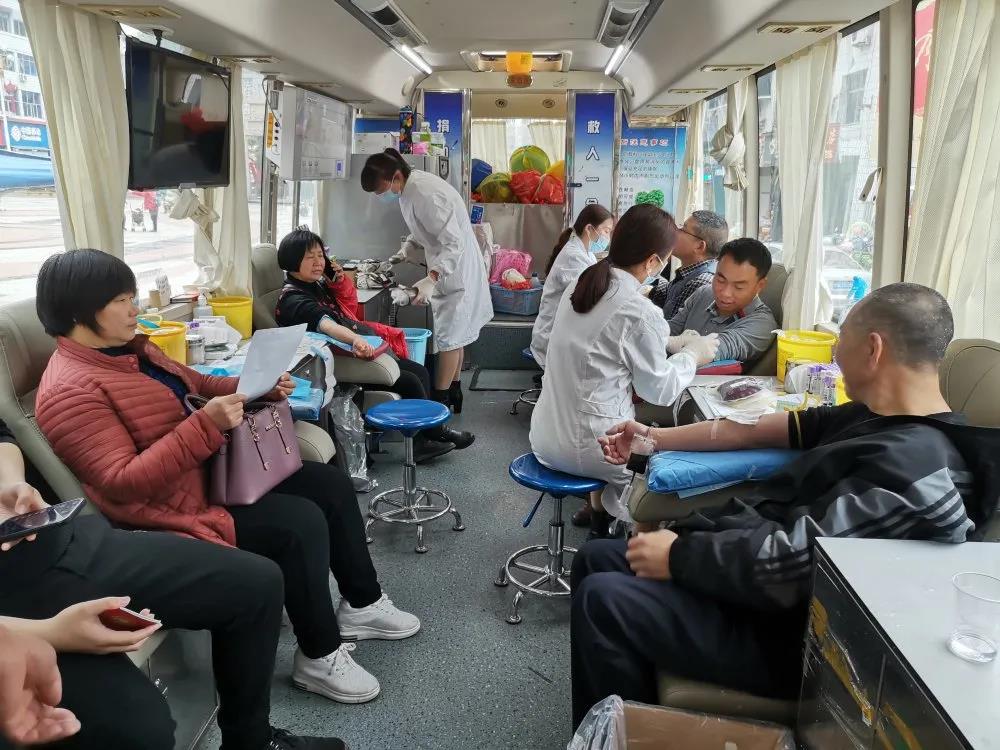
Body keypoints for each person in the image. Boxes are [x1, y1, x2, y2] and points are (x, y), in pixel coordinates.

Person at [569, 283, 1000, 728]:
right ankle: (622, 726)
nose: (834, 353)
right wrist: (652, 438)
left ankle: (626, 734)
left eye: (841, 340)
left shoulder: (922, 476)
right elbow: (754, 429)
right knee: (596, 558)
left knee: (605, 601)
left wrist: (681, 556)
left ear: (873, 349)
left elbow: (800, 561)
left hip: (806, 639)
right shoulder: (873, 417)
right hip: (762, 587)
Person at [33, 249, 420, 711]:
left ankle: (361, 603)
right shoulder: (69, 390)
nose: (134, 309)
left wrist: (254, 387)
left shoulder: (131, 351)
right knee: (298, 524)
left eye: (133, 297)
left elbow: (196, 384)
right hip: (171, 507)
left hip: (204, 472)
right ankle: (319, 654)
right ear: (79, 311)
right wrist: (206, 426)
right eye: (122, 300)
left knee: (329, 485)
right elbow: (122, 482)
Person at [0, 419, 344, 749]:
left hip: (47, 541)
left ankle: (252, 741)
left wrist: (9, 485)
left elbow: (2, 435)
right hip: (16, 610)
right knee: (139, 732)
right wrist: (48, 633)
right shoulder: (72, 390)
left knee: (257, 584)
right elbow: (124, 477)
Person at [528, 205, 720, 536]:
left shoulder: (584, 283)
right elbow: (658, 389)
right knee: (659, 476)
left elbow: (605, 338)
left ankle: (599, 524)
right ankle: (631, 552)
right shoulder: (639, 311)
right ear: (652, 261)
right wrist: (692, 355)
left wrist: (669, 341)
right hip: (593, 448)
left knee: (612, 427)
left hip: (545, 435)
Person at [274, 228, 474, 463]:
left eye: (321, 255)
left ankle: (430, 435)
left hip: (343, 351)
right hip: (329, 360)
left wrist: (339, 282)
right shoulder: (293, 299)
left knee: (419, 370)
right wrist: (355, 339)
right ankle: (427, 440)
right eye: (310, 257)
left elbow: (348, 309)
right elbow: (327, 325)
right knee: (410, 380)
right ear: (292, 261)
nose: (319, 262)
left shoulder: (316, 285)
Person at [360, 148, 493, 411]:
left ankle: (439, 404)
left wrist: (432, 277)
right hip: (448, 268)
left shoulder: (426, 194)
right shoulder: (410, 189)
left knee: (450, 339)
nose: (381, 196)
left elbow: (453, 244)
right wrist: (408, 247)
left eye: (381, 191)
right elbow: (426, 227)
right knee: (456, 336)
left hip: (455, 271)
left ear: (396, 176)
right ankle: (454, 392)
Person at [667, 237, 777, 365]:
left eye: (739, 287)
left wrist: (667, 341)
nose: (725, 293)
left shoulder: (761, 325)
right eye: (720, 280)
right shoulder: (703, 293)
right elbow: (671, 329)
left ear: (760, 285)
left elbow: (710, 349)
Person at [530, 204, 614, 367]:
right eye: (605, 231)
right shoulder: (573, 257)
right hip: (552, 338)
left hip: (564, 331)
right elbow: (589, 296)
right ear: (589, 229)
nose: (607, 237)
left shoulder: (587, 253)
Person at [648, 210, 728, 319]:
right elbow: (669, 296)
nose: (675, 232)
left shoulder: (701, 283)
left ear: (699, 246)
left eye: (682, 229)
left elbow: (671, 325)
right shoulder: (690, 272)